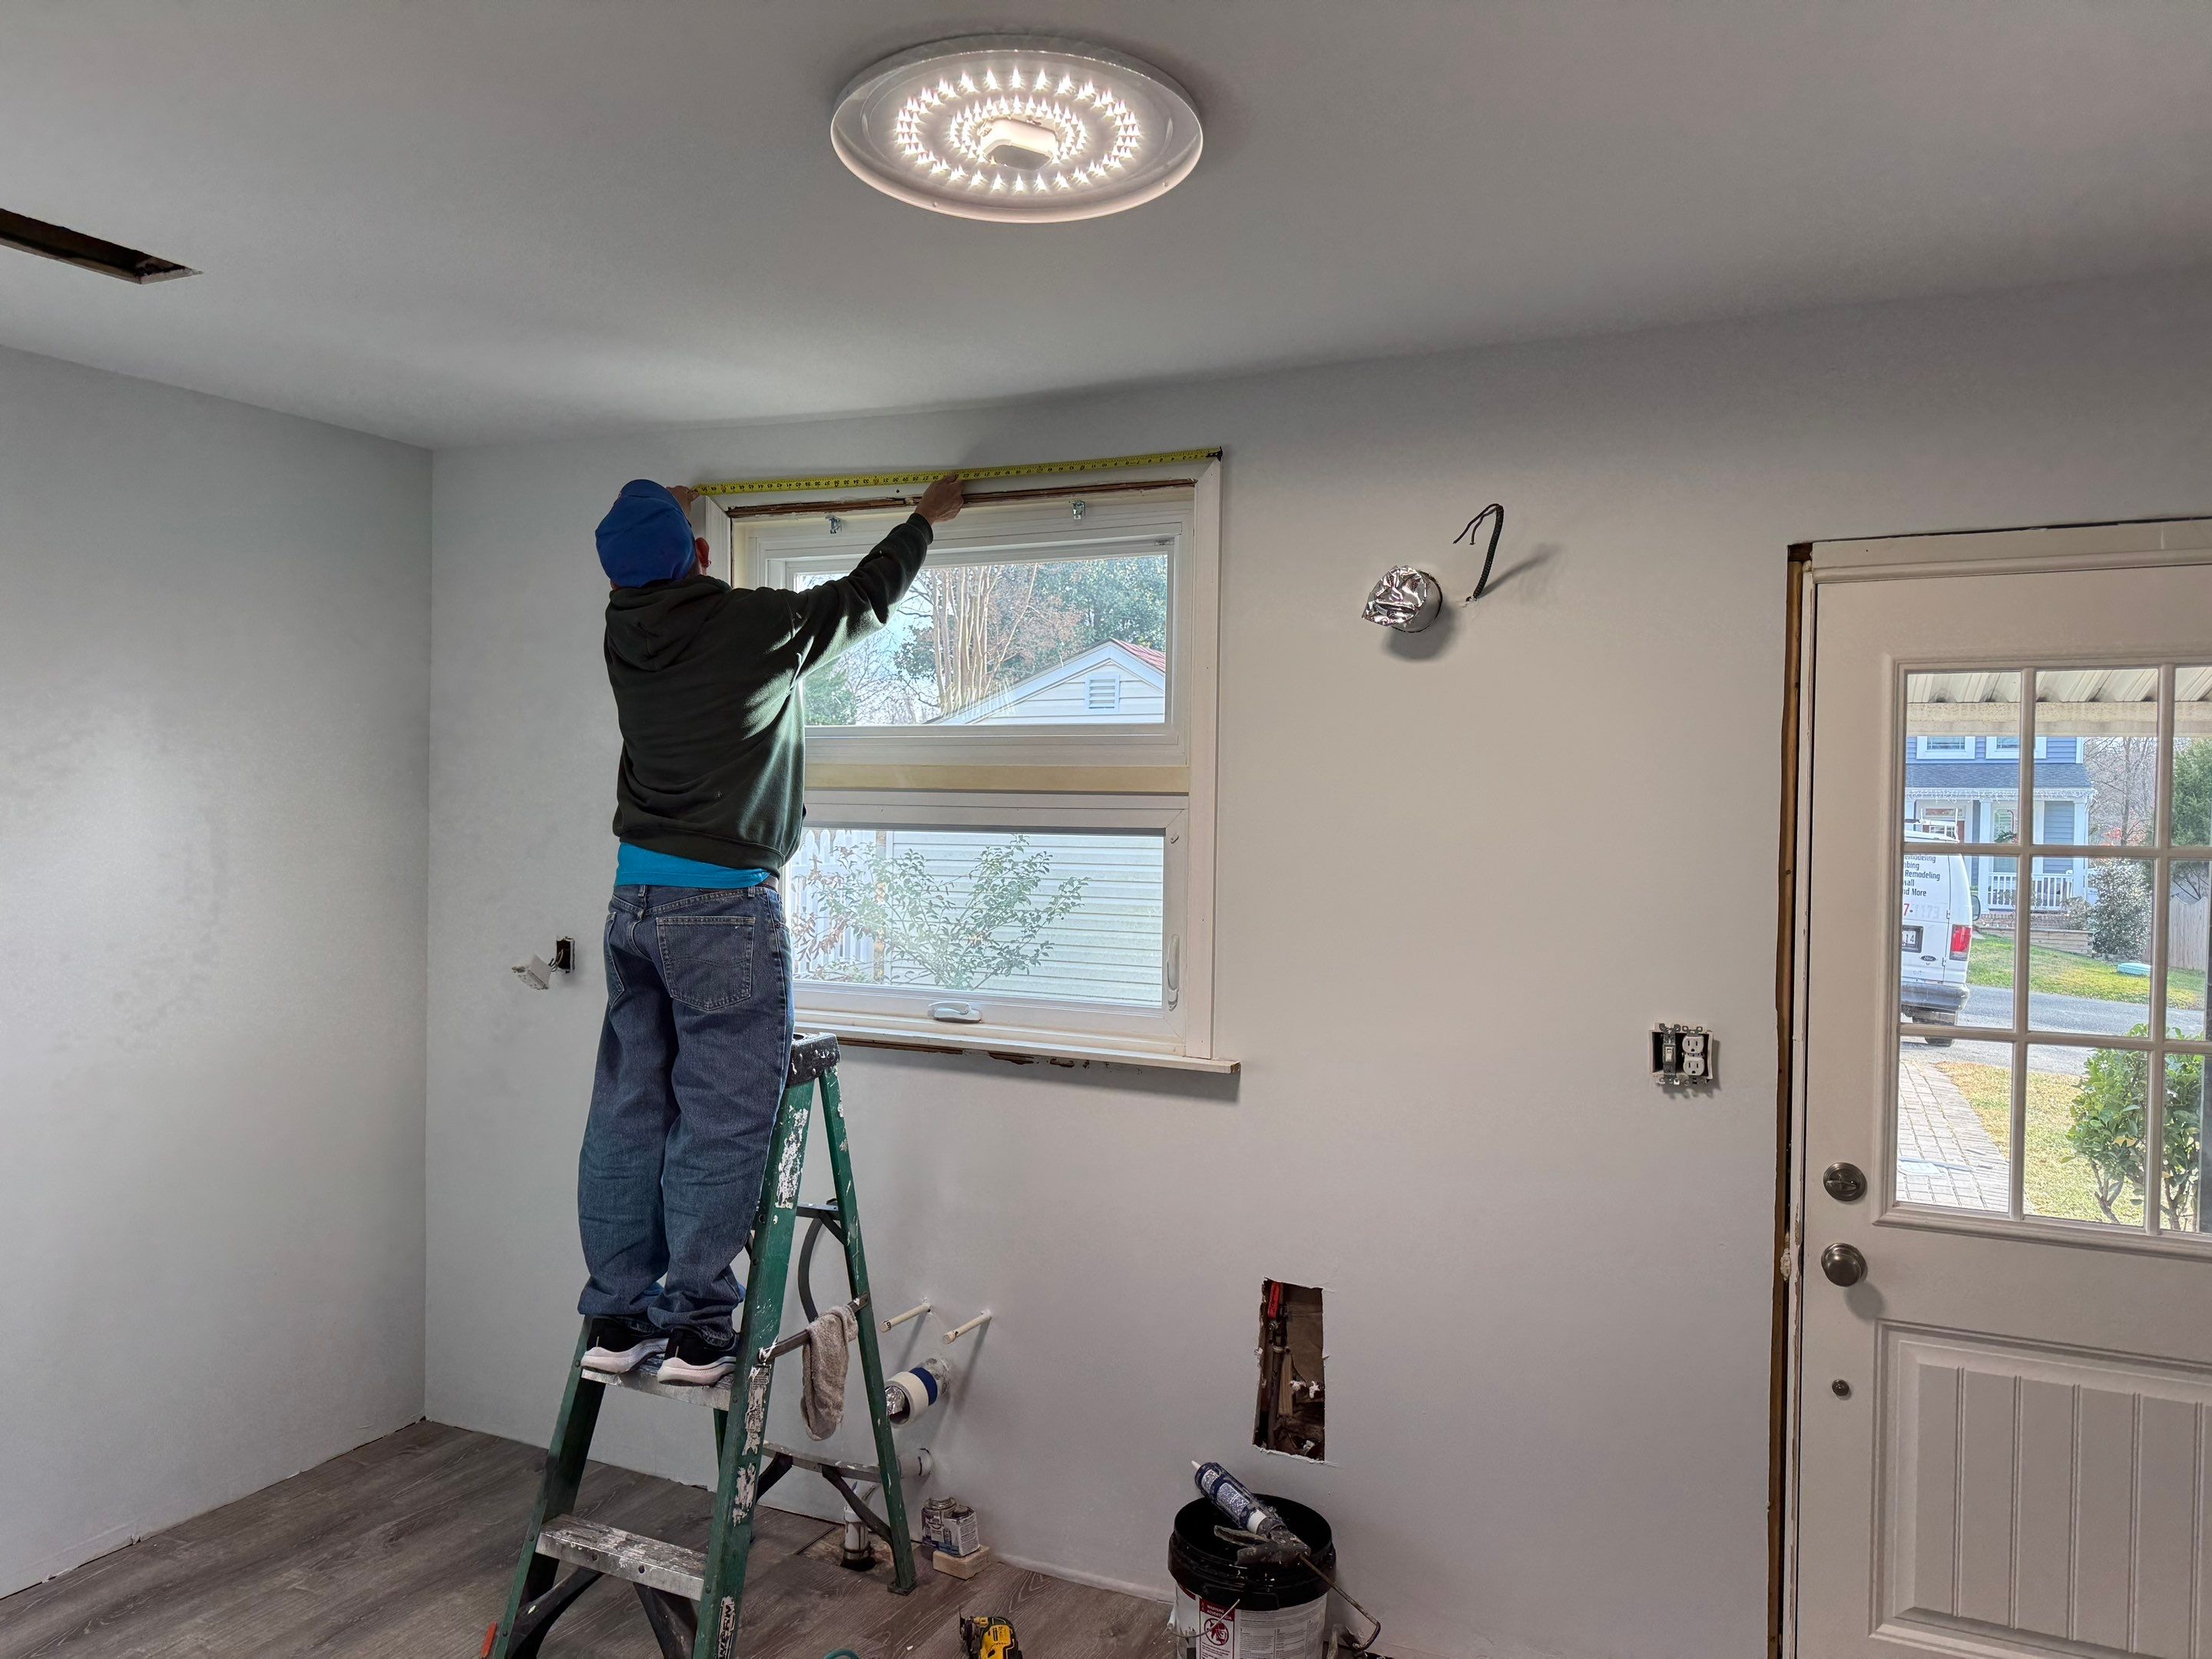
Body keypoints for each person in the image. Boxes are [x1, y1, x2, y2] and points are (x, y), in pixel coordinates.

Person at [576, 471, 965, 1383]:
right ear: (701, 554)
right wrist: (924, 518)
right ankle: (701, 1325)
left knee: (629, 1112)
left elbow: (652, 569)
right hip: (721, 908)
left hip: (633, 904)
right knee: (721, 1115)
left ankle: (618, 1319)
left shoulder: (623, 629)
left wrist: (664, 516)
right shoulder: (757, 626)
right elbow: (865, 598)